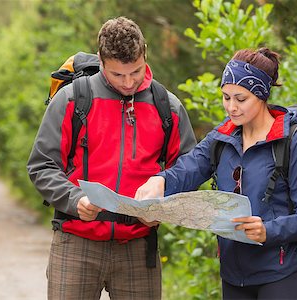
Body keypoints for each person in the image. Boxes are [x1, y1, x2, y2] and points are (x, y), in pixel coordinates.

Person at [27, 16, 196, 299]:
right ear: (102, 62)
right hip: (76, 241)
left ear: (145, 54)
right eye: (118, 75)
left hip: (139, 246)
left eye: (136, 72)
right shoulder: (71, 99)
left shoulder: (168, 107)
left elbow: (190, 167)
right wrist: (74, 199)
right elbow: (42, 165)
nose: (128, 82)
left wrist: (162, 206)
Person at [135, 48, 297, 299]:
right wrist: (160, 181)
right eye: (225, 97)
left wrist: (268, 231)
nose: (231, 107)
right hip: (234, 277)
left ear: (262, 95)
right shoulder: (221, 138)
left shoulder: (295, 144)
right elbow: (188, 168)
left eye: (241, 99)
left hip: (282, 275)